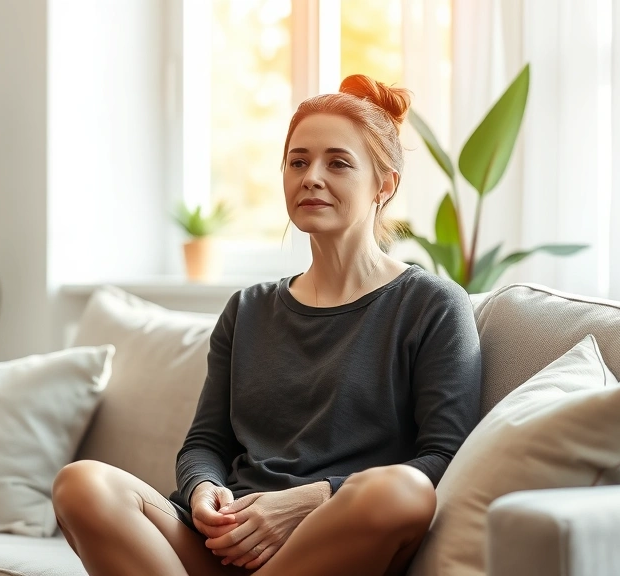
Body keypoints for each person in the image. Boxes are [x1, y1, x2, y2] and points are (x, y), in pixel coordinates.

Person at [52, 74, 482, 576]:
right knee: (81, 483)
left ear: (383, 185)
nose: (311, 177)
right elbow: (206, 444)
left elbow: (444, 459)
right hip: (224, 542)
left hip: (331, 542)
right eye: (298, 161)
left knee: (401, 492)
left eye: (338, 163)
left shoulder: (432, 305)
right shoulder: (248, 308)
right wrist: (202, 490)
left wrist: (305, 502)